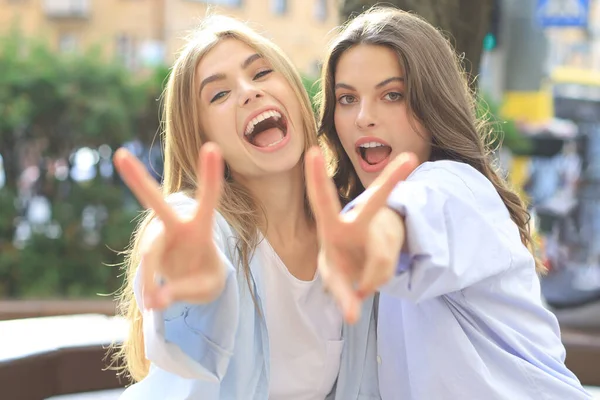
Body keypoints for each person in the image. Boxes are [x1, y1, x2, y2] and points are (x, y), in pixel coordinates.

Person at [112, 14, 406, 400]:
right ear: (202, 142)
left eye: (262, 73)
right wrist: (183, 277)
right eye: (218, 94)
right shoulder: (201, 226)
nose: (249, 92)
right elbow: (179, 259)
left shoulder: (346, 225)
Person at [306, 6, 592, 400]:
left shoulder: (459, 187)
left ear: (433, 103)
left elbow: (414, 213)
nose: (363, 117)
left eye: (393, 95)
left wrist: (376, 235)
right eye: (347, 98)